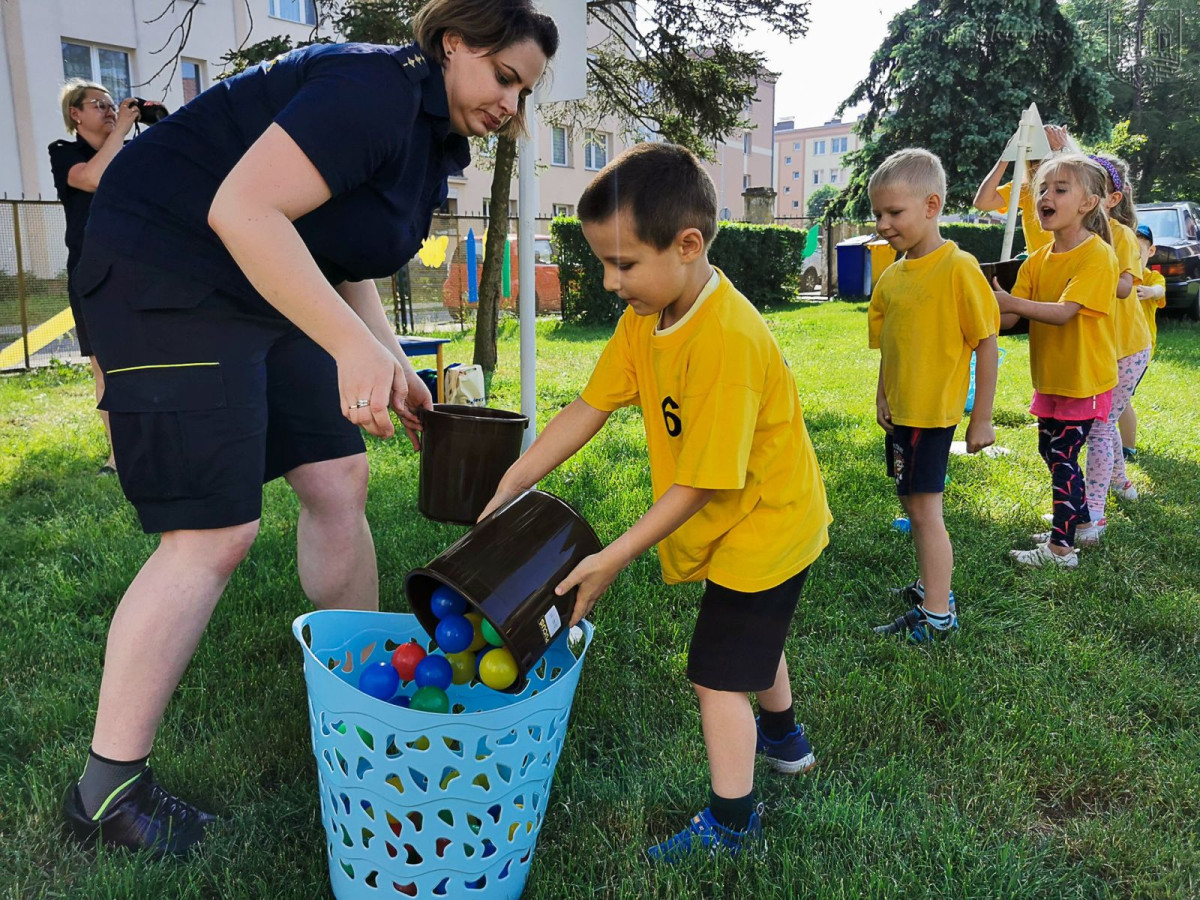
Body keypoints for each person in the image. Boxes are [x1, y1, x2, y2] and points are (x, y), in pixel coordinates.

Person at [62, 0, 557, 857]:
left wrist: (386, 356)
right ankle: (107, 789)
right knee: (214, 533)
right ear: (451, 45)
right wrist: (345, 351)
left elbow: (333, 253)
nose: (512, 103)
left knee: (339, 479)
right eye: (504, 76)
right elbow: (245, 211)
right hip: (163, 268)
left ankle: (363, 703)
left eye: (526, 91)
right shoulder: (372, 89)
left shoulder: (428, 137)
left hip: (252, 280)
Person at [480, 143, 831, 863]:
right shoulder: (648, 317)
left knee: (716, 674)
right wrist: (515, 480)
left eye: (624, 264)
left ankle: (733, 824)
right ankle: (787, 742)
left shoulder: (727, 340)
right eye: (604, 263)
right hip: (744, 521)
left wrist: (610, 558)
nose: (610, 283)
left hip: (765, 522)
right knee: (753, 641)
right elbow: (590, 405)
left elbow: (703, 481)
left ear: (688, 244)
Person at [867, 149, 999, 642]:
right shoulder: (892, 277)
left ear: (931, 205)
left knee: (925, 511)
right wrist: (882, 393)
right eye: (878, 213)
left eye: (894, 213)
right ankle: (931, 588)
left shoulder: (958, 267)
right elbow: (890, 343)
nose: (883, 224)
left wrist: (980, 418)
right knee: (911, 504)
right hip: (903, 414)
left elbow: (986, 344)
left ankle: (939, 616)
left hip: (932, 415)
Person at [994, 155, 1119, 567]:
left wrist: (1011, 301)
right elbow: (1012, 316)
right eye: (1043, 189)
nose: (1046, 196)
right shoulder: (1038, 259)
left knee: (1063, 456)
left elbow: (1065, 312)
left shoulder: (1096, 256)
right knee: (1050, 452)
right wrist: (986, 304)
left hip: (1083, 378)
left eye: (1060, 189)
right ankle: (1080, 522)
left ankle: (1061, 548)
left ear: (1088, 203)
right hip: (1051, 377)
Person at [47, 80, 149, 475]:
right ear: (76, 114)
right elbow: (90, 179)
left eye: (112, 105)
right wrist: (121, 128)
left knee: (150, 355)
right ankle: (118, 455)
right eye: (99, 105)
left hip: (140, 266)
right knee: (105, 365)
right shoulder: (65, 152)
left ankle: (158, 441)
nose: (110, 110)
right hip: (93, 272)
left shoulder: (129, 153)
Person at [1082, 153, 1149, 533]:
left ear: (1111, 199)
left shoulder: (1120, 236)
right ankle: (1122, 484)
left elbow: (1124, 288)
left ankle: (1093, 514)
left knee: (1100, 426)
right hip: (1105, 348)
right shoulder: (1080, 238)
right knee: (1103, 422)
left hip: (1127, 348)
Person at [974, 124, 1074, 256]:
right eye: (1035, 159)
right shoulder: (1025, 189)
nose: (1042, 164)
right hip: (1038, 272)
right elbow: (982, 202)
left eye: (1050, 155)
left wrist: (1065, 150)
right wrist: (1006, 156)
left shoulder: (1079, 189)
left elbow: (1082, 178)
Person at [1119, 224, 1167, 459]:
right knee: (1114, 398)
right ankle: (1107, 438)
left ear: (1151, 251)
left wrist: (1151, 292)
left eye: (1139, 250)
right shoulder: (1122, 275)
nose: (1135, 256)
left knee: (1122, 400)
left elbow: (1160, 290)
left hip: (1139, 352)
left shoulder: (1151, 277)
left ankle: (1127, 447)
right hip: (1117, 347)